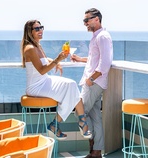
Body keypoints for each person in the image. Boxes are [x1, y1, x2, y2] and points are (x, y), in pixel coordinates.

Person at [21, 19, 92, 140]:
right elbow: (42, 70)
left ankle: (64, 123)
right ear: (30, 31)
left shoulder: (37, 45)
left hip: (45, 81)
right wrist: (57, 60)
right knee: (72, 92)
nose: (40, 30)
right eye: (36, 29)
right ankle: (78, 123)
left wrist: (52, 61)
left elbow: (42, 59)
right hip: (36, 86)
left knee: (72, 85)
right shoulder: (29, 48)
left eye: (41, 27)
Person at [71, 8, 113, 158]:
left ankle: (93, 144)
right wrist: (80, 59)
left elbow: (105, 62)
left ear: (97, 19)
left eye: (87, 20)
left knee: (80, 112)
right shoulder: (96, 37)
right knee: (95, 118)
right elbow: (95, 59)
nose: (85, 24)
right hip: (92, 82)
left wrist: (91, 79)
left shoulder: (102, 37)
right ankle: (96, 152)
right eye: (84, 21)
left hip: (94, 83)